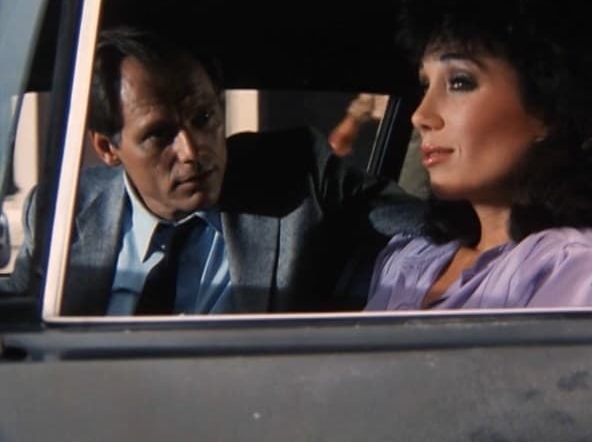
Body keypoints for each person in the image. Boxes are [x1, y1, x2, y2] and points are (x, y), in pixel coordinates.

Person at [5, 27, 424, 315]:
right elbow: (19, 311)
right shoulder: (64, 211)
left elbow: (428, 226)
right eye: (158, 135)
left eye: (204, 118)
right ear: (107, 148)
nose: (192, 151)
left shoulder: (293, 173)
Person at [366, 0, 592, 310]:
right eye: (425, 85)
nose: (420, 116)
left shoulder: (575, 265)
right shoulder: (410, 258)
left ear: (546, 110)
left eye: (459, 82)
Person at [328, 93, 430, 199]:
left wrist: (354, 116)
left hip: (414, 124)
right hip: (388, 120)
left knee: (407, 194)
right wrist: (353, 117)